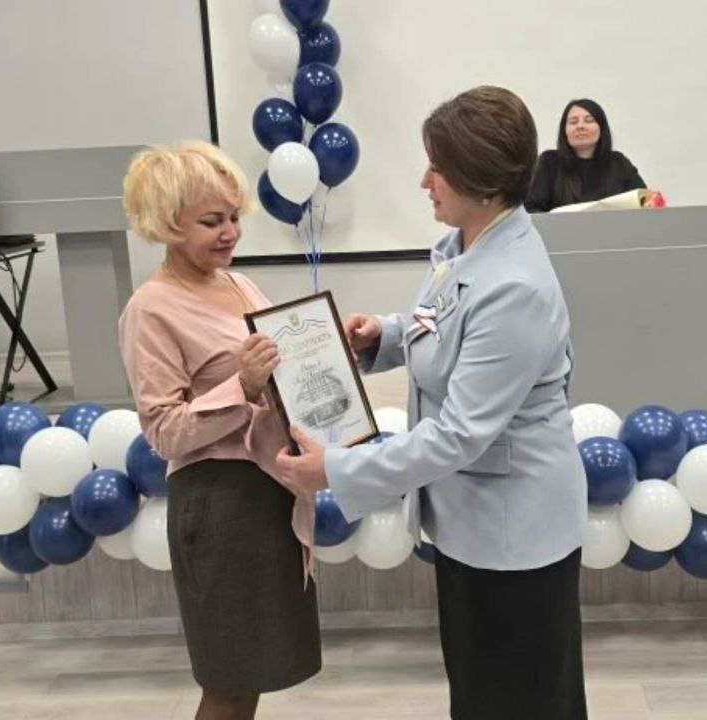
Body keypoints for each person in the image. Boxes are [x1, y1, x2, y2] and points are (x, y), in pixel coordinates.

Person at [273, 86, 589, 719]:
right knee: (479, 694)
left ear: (482, 180)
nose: (424, 181)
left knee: (518, 701)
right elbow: (435, 319)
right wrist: (385, 335)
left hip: (512, 535)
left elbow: (456, 436)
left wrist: (335, 469)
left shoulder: (514, 287)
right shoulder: (464, 245)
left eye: (438, 168)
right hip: (471, 522)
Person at [118, 141, 320, 720]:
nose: (231, 232)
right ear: (166, 223)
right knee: (229, 681)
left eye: (234, 216)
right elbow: (163, 431)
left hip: (266, 496)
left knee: (251, 674)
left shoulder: (239, 284)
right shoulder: (151, 309)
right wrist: (243, 386)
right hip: (220, 507)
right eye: (212, 221)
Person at [525, 98, 646, 212]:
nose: (580, 126)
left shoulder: (619, 163)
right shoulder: (549, 161)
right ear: (564, 130)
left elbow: (644, 202)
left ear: (601, 128)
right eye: (573, 122)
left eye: (589, 120)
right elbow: (532, 209)